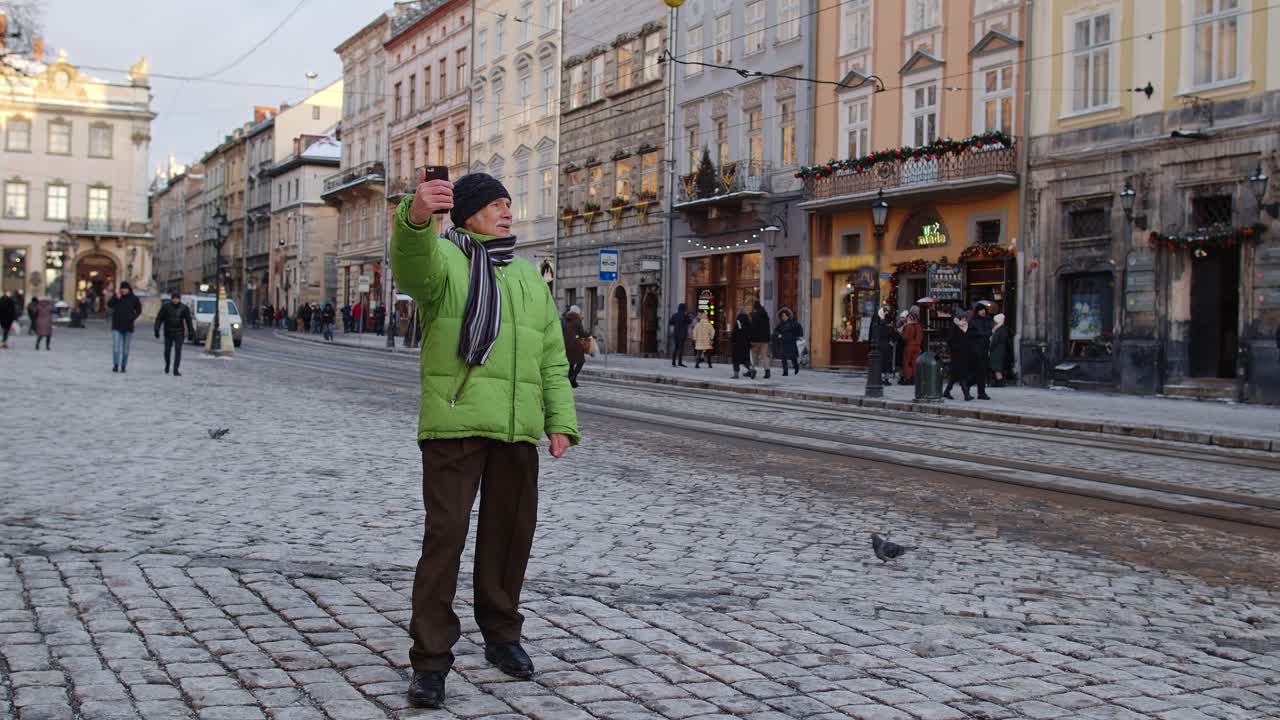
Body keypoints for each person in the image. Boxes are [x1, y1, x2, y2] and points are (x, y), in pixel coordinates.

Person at [391, 170, 580, 709]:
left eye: (508, 202)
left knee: (509, 536)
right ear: (468, 213)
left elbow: (551, 356)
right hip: (456, 423)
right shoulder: (445, 260)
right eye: (494, 204)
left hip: (516, 429)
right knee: (445, 537)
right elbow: (411, 262)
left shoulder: (527, 276)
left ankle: (502, 635)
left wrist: (559, 420)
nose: (506, 210)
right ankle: (430, 661)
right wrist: (417, 216)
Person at [154, 291, 196, 375]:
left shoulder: (184, 308)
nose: (175, 300)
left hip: (179, 333)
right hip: (168, 332)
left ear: (179, 299)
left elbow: (188, 321)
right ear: (171, 299)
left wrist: (191, 332)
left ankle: (175, 369)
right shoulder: (166, 307)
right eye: (174, 298)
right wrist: (156, 329)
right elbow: (159, 319)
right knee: (167, 351)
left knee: (178, 351)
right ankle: (167, 364)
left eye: (177, 298)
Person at [107, 282, 142, 373]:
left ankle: (123, 366)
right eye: (122, 288)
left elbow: (139, 310)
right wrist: (115, 298)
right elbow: (109, 305)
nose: (123, 290)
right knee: (116, 347)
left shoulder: (134, 298)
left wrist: (133, 317)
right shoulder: (117, 296)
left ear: (129, 289)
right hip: (117, 326)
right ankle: (115, 365)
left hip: (128, 327)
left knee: (126, 349)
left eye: (125, 289)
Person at [943, 310, 974, 401]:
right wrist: (956, 348)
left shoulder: (966, 326)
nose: (965, 319)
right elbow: (950, 340)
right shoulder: (955, 326)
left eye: (966, 317)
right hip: (957, 354)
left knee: (955, 375)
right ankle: (966, 395)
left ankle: (947, 391)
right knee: (962, 374)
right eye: (963, 317)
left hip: (964, 353)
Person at [970, 303, 993, 400]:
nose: (983, 312)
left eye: (984, 310)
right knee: (976, 371)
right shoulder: (973, 321)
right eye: (981, 310)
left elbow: (989, 332)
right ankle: (967, 384)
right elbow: (972, 334)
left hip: (985, 349)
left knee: (982, 371)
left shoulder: (987, 320)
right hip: (976, 349)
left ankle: (981, 392)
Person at [562, 305, 588, 388]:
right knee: (581, 362)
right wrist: (588, 333)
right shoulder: (577, 320)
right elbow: (582, 333)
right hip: (575, 345)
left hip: (566, 344)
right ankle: (572, 377)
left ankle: (573, 382)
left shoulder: (565, 320)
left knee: (571, 363)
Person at [773, 308, 803, 377]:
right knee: (783, 357)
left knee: (793, 357)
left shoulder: (793, 323)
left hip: (791, 342)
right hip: (783, 342)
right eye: (782, 316)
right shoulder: (780, 324)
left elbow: (799, 329)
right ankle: (785, 372)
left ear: (788, 316)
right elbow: (775, 331)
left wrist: (798, 337)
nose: (783, 317)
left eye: (784, 315)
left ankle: (796, 367)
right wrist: (778, 335)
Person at [899, 306, 923, 385]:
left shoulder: (908, 325)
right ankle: (914, 378)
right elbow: (921, 337)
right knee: (914, 363)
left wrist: (901, 333)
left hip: (909, 346)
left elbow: (905, 337)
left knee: (907, 363)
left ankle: (908, 378)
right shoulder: (918, 325)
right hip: (917, 346)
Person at [749, 300, 772, 379]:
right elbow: (768, 328)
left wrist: (750, 338)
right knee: (765, 356)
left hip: (755, 339)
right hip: (765, 340)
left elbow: (752, 328)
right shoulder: (766, 316)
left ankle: (752, 370)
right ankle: (767, 371)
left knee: (754, 356)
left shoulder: (755, 316)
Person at [990, 312, 1014, 387]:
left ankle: (999, 383)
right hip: (1001, 350)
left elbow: (995, 340)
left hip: (997, 350)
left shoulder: (999, 329)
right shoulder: (1004, 328)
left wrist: (990, 348)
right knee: (998, 367)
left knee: (997, 367)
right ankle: (999, 382)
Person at [731, 307, 755, 379]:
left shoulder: (738, 321)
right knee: (745, 360)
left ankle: (736, 375)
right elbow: (750, 332)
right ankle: (751, 369)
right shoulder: (748, 321)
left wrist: (732, 340)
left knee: (736, 360)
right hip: (746, 343)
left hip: (738, 343)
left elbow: (735, 332)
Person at [668, 303, 691, 367]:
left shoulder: (675, 315)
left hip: (676, 334)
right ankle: (680, 362)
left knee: (675, 348)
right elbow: (690, 321)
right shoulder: (685, 315)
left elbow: (670, 322)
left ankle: (673, 362)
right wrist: (686, 316)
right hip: (682, 334)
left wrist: (676, 324)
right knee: (681, 348)